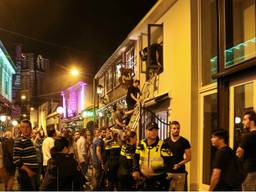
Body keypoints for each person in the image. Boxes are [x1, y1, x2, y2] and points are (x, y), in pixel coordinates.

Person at [132, 121, 172, 191]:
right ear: (146, 131)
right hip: (143, 180)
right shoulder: (141, 143)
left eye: (156, 130)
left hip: (159, 181)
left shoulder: (163, 145)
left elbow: (169, 164)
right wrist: (136, 170)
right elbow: (136, 158)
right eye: (151, 130)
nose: (154, 132)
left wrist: (154, 169)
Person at [164, 120, 191, 191]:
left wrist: (179, 164)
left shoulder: (185, 141)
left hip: (180, 173)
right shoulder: (165, 142)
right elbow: (163, 157)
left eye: (178, 128)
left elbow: (188, 158)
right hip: (168, 172)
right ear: (170, 129)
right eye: (174, 128)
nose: (176, 130)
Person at [13, 119, 39, 191]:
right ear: (20, 129)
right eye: (23, 127)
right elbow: (16, 160)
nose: (25, 129)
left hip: (33, 173)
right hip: (25, 174)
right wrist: (28, 171)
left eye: (27, 127)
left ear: (30, 128)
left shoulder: (29, 140)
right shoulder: (19, 141)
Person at [236, 110, 256, 191]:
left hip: (249, 171)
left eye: (245, 119)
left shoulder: (247, 136)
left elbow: (238, 153)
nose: (243, 122)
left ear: (251, 121)